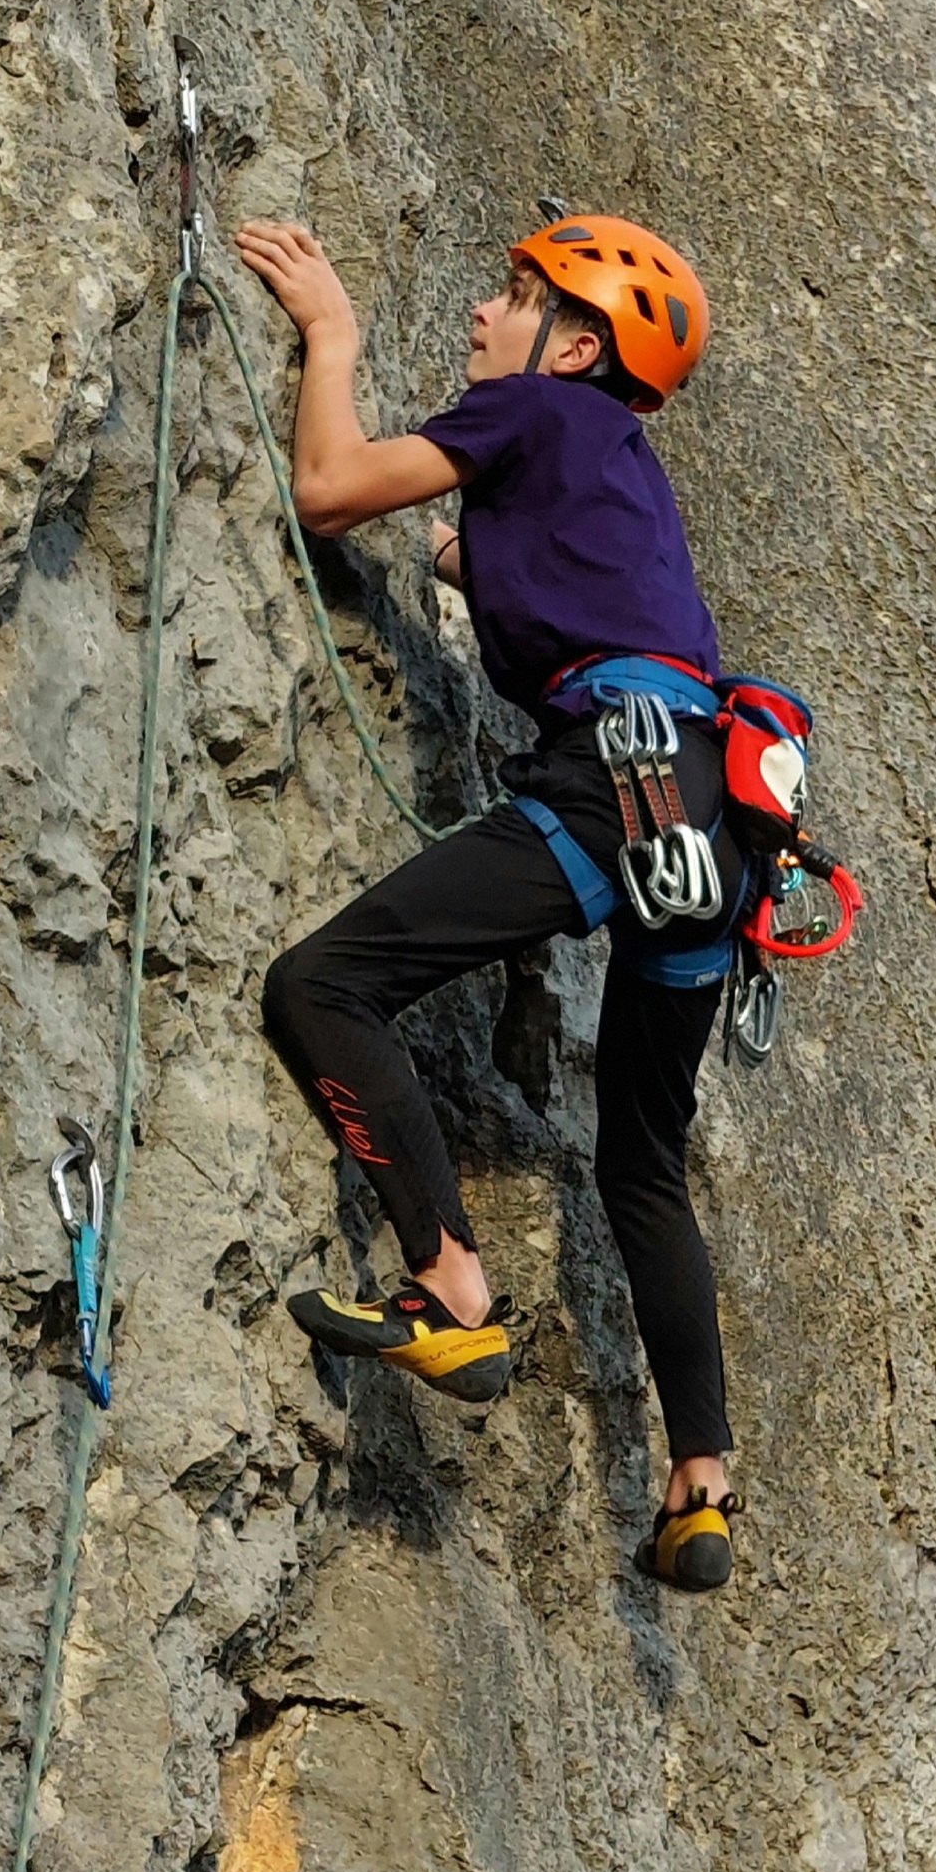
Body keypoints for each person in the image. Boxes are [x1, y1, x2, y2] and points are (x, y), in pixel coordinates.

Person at [234, 208, 769, 1594]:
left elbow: (329, 489)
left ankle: (448, 1288)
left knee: (323, 985)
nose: (483, 312)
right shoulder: (623, 469)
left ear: (573, 347)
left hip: (617, 787)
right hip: (715, 829)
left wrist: (330, 330)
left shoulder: (530, 409)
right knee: (642, 1161)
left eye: (515, 296)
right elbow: (583, 588)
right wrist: (473, 560)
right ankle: (700, 1479)